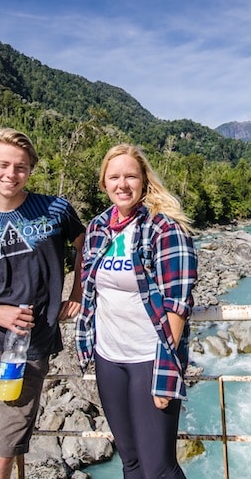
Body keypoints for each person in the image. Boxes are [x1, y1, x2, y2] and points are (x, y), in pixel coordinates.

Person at [0, 128, 85, 479]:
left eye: (21, 167)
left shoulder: (55, 210)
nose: (11, 174)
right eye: (3, 164)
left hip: (29, 347)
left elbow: (87, 246)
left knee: (2, 450)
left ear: (31, 170)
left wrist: (78, 294)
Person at [76, 144, 198, 479]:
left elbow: (177, 304)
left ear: (144, 180)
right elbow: (90, 286)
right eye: (114, 177)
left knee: (159, 468)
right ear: (103, 183)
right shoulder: (99, 227)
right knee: (131, 462)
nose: (122, 184)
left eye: (131, 176)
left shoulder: (164, 227)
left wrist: (164, 373)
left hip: (149, 357)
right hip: (109, 357)